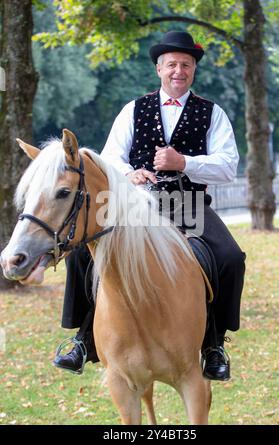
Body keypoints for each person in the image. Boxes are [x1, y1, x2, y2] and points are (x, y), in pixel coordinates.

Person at [53, 30, 246, 381]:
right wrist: (130, 174)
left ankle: (214, 345)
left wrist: (184, 162)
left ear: (193, 70)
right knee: (83, 251)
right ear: (159, 69)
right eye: (171, 64)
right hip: (135, 203)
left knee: (231, 257)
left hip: (187, 204)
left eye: (185, 65)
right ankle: (83, 340)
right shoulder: (133, 109)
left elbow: (228, 166)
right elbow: (110, 158)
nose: (178, 71)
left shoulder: (212, 113)